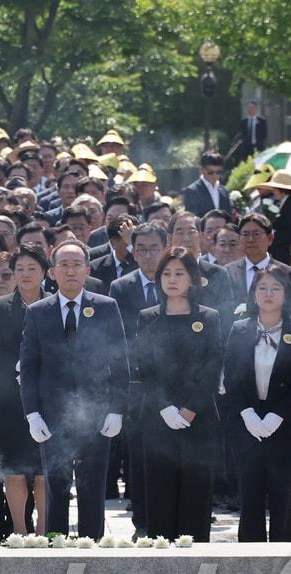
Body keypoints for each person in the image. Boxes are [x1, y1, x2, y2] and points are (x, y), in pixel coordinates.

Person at [20, 239, 129, 539]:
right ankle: (55, 547)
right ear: (52, 272)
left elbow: (120, 363)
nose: (70, 271)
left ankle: (90, 546)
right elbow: (28, 367)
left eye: (76, 264)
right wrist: (33, 414)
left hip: (95, 412)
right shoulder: (38, 311)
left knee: (92, 485)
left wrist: (116, 409)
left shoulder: (106, 307)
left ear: (87, 270)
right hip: (52, 413)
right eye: (63, 265)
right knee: (55, 485)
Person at [133, 249, 222, 542]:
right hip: (159, 418)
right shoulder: (148, 318)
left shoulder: (208, 318)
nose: (172, 280)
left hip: (199, 418)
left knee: (196, 490)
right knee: (159, 489)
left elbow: (212, 366)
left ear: (193, 279)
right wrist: (164, 407)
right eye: (167, 274)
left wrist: (190, 408)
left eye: (179, 273)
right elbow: (143, 367)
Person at [222, 264, 291, 542]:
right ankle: (250, 558)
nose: (268, 294)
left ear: (286, 294)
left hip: (283, 426)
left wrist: (277, 416)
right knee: (249, 495)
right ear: (253, 294)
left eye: (276, 288)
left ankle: (283, 557)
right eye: (262, 288)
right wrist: (248, 414)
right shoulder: (239, 330)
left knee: (282, 495)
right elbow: (232, 376)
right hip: (246, 425)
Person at [0, 244, 50, 535]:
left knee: (45, 470)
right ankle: (21, 531)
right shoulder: (0, 307)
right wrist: (15, 369)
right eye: (18, 269)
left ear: (45, 272)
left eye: (31, 268)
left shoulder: (55, 303)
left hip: (48, 397)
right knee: (14, 467)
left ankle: (46, 531)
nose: (24, 274)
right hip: (11, 399)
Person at [109, 222, 167, 534]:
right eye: (140, 248)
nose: (146, 254)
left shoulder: (176, 281)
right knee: (139, 454)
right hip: (137, 382)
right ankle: (142, 520)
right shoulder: (121, 286)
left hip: (171, 379)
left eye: (153, 248)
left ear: (165, 248)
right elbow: (117, 337)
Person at [226, 213, 291, 320]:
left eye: (256, 234)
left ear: (270, 238)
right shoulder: (227, 272)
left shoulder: (287, 273)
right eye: (245, 234)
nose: (250, 239)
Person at [181, 152, 232, 219]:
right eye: (210, 172)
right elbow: (193, 218)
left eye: (218, 172)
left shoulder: (224, 191)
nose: (215, 175)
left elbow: (228, 216)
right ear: (202, 170)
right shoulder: (193, 191)